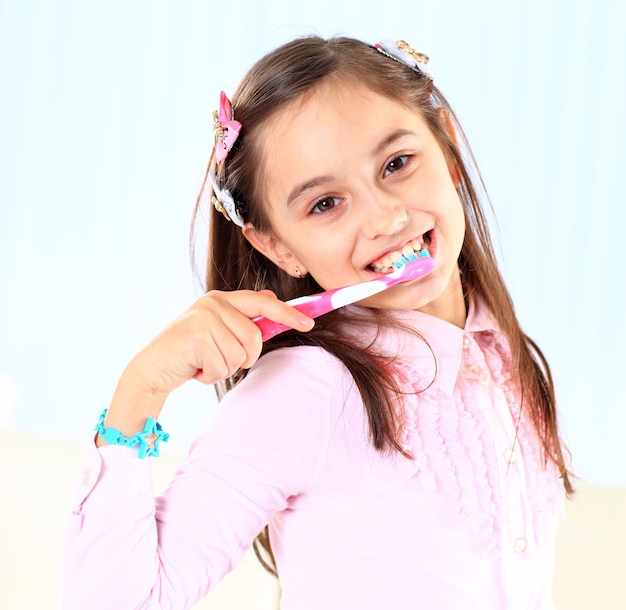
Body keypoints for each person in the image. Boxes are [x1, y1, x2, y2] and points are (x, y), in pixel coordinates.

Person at [61, 35, 573, 609]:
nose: (386, 217)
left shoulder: (502, 352)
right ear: (279, 247)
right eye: (325, 204)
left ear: (448, 147)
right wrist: (141, 389)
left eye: (397, 164)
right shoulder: (306, 390)